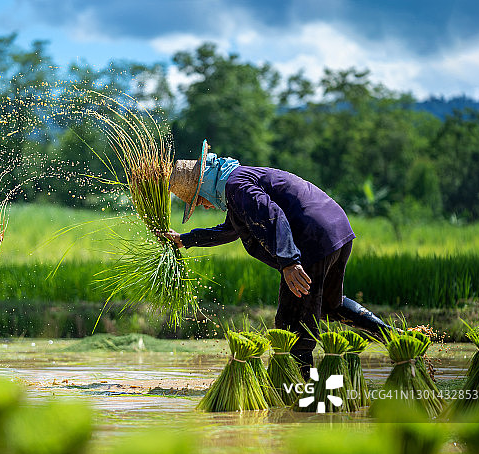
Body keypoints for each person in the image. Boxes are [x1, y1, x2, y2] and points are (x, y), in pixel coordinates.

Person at [162, 141, 392, 378]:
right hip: (336, 231)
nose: (204, 206)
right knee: (329, 305)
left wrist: (290, 262)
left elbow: (273, 215)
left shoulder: (237, 186)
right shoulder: (238, 184)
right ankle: (396, 338)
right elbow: (231, 230)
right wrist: (185, 240)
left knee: (292, 322)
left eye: (199, 199)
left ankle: (299, 387)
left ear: (206, 185)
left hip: (312, 239)